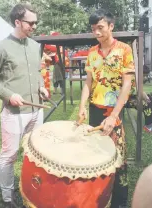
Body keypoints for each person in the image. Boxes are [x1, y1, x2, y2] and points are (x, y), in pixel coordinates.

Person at [0, 4, 48, 208]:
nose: (34, 26)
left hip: (36, 111)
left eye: (36, 22)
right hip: (14, 113)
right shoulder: (1, 47)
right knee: (9, 156)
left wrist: (42, 87)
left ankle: (30, 188)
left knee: (35, 153)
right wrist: (9, 95)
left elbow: (37, 73)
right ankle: (8, 196)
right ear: (18, 22)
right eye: (31, 22)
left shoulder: (36, 46)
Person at [78, 9, 135, 208]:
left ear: (111, 26)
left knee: (118, 159)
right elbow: (88, 83)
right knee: (95, 156)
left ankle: (119, 203)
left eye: (100, 28)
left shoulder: (124, 50)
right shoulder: (92, 52)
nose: (97, 32)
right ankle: (97, 198)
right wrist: (82, 106)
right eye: (93, 29)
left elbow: (127, 85)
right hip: (95, 109)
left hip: (114, 113)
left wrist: (114, 116)